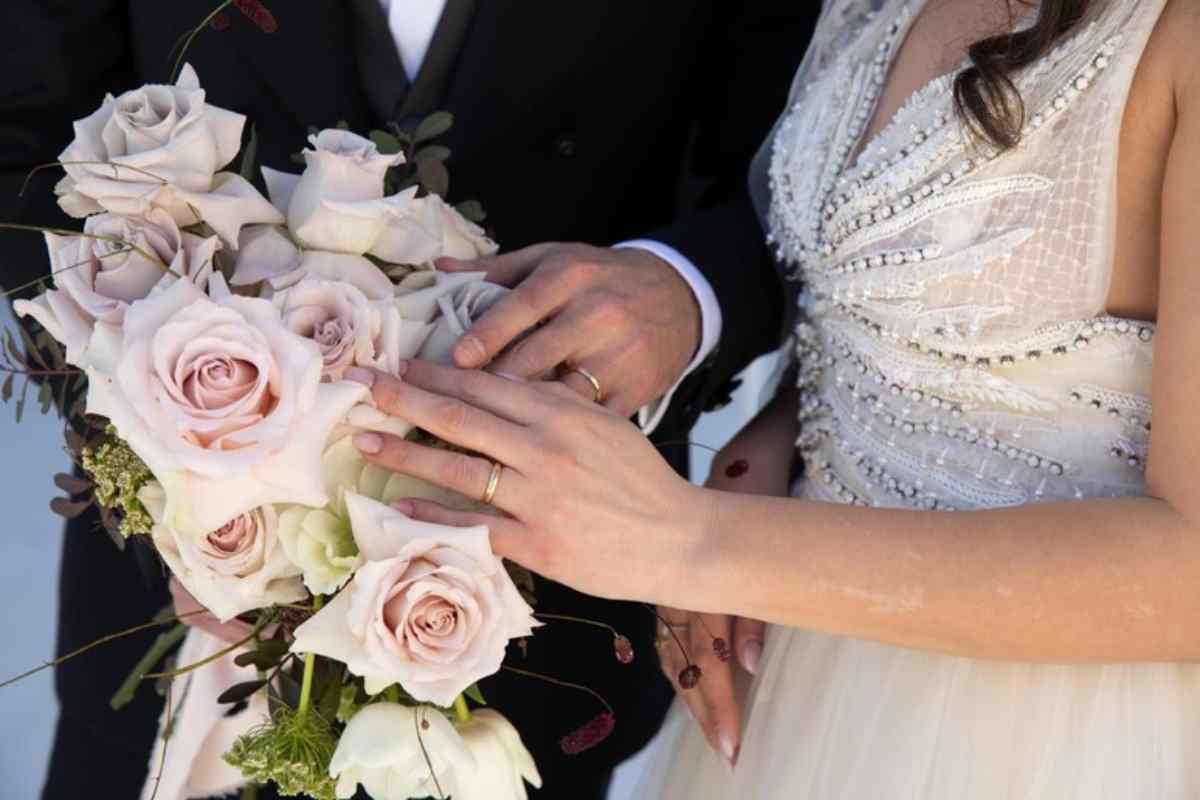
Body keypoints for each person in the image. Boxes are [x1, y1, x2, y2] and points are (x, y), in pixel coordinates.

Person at [345, 0, 1200, 795]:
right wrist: (782, 433)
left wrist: (688, 539)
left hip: (1040, 733)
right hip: (797, 668)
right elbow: (896, 310)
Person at [0, 2, 818, 797]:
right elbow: (26, 149)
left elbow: (816, 161)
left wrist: (692, 289)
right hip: (171, 607)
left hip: (534, 633)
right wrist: (168, 474)